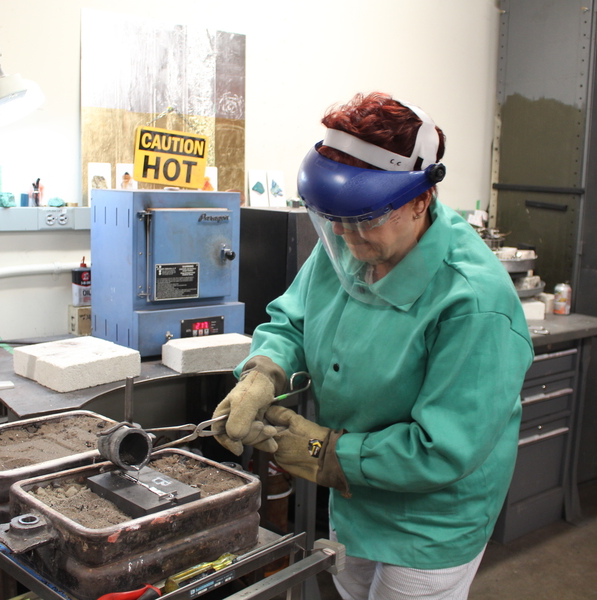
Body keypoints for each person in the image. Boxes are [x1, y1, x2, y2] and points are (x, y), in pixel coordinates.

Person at [213, 92, 534, 599]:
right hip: (356, 497)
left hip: (429, 522)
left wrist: (324, 453)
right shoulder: (347, 239)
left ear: (421, 200)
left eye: (363, 219)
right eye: (333, 220)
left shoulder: (474, 302)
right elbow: (293, 318)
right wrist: (264, 373)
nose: (345, 236)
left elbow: (442, 449)